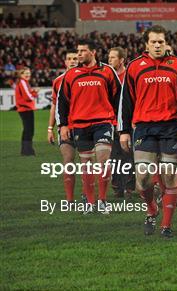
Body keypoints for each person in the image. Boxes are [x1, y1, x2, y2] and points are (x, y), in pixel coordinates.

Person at [118, 25, 177, 238]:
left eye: (161, 41)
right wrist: (123, 130)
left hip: (171, 126)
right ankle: (152, 207)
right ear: (147, 44)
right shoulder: (135, 67)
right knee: (142, 179)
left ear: (166, 42)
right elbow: (126, 101)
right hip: (144, 128)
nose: (158, 45)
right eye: (154, 42)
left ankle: (166, 225)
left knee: (169, 176)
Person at [57, 39, 121, 214]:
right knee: (86, 165)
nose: (78, 55)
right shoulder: (71, 75)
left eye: (82, 51)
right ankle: (90, 203)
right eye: (78, 51)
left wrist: (117, 121)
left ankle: (102, 200)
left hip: (103, 122)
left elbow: (118, 97)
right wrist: (63, 125)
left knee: (103, 160)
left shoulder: (107, 71)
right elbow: (62, 102)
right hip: (80, 124)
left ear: (93, 52)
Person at [48, 50, 78, 201]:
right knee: (68, 160)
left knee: (89, 162)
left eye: (75, 58)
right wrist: (50, 128)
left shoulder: (86, 77)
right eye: (69, 59)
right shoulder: (58, 81)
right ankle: (70, 199)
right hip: (65, 127)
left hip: (85, 126)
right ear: (65, 62)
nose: (72, 61)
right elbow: (54, 105)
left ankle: (88, 196)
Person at [107, 47, 134, 198]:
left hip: (127, 123)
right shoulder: (106, 76)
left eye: (113, 58)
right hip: (110, 122)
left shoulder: (128, 76)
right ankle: (117, 186)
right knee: (114, 156)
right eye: (109, 57)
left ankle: (129, 187)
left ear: (122, 60)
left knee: (128, 155)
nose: (109, 60)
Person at [15, 67, 38, 156]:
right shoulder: (23, 82)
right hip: (25, 109)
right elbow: (28, 97)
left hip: (25, 109)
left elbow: (28, 94)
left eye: (29, 73)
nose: (28, 75)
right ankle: (27, 150)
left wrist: (33, 92)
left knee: (28, 130)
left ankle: (26, 150)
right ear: (21, 75)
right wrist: (35, 94)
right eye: (26, 73)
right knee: (29, 131)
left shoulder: (24, 82)